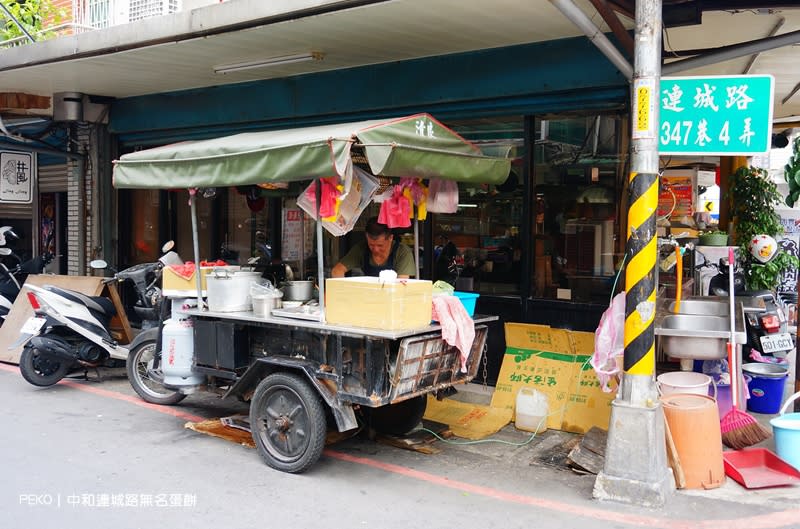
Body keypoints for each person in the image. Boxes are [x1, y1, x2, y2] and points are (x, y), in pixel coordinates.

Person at [331, 217, 416, 278]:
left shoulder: (403, 252)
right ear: (366, 236)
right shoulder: (361, 249)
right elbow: (337, 270)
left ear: (390, 238)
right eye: (371, 245)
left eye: (380, 245)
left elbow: (403, 283)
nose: (375, 249)